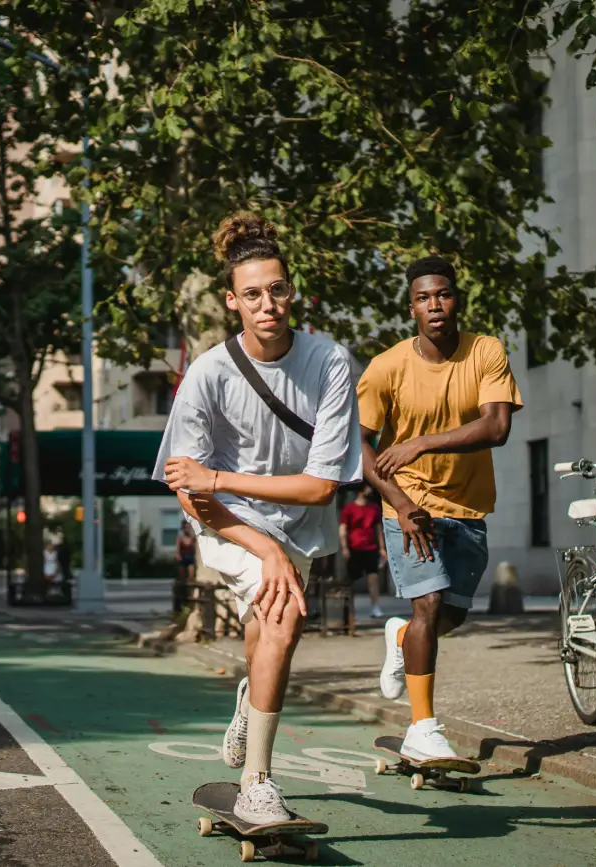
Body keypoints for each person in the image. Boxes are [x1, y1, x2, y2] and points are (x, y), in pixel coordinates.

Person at [156, 211, 361, 824]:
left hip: (295, 519)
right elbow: (188, 491)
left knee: (265, 629)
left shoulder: (330, 362)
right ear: (232, 301)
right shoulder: (207, 374)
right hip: (228, 519)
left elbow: (321, 488)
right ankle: (257, 784)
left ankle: (253, 700)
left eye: (277, 289)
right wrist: (263, 547)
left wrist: (218, 478)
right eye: (252, 294)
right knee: (282, 617)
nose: (266, 304)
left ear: (291, 292)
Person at [356, 255, 522, 763]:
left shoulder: (485, 351)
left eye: (443, 295)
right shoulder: (386, 368)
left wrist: (420, 443)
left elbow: (497, 427)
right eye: (424, 298)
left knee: (452, 614)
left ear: (456, 300)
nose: (435, 305)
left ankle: (401, 639)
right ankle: (422, 728)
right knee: (427, 604)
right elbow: (358, 446)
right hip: (410, 507)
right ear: (412, 309)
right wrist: (401, 503)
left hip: (468, 506)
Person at [339, 485, 387, 619]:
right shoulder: (349, 508)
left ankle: (375, 606)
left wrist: (382, 548)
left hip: (370, 547)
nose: (370, 490)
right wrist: (344, 548)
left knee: (373, 577)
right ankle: (350, 610)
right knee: (351, 580)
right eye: (367, 488)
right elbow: (343, 528)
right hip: (354, 547)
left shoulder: (374, 508)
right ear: (360, 491)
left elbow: (378, 528)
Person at [173, 521, 197, 614]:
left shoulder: (193, 538)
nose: (187, 529)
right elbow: (177, 550)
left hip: (190, 559)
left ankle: (190, 594)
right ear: (183, 529)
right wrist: (178, 556)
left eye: (188, 527)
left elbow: (195, 549)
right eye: (185, 527)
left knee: (191, 577)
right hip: (183, 559)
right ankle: (182, 595)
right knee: (182, 577)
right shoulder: (180, 538)